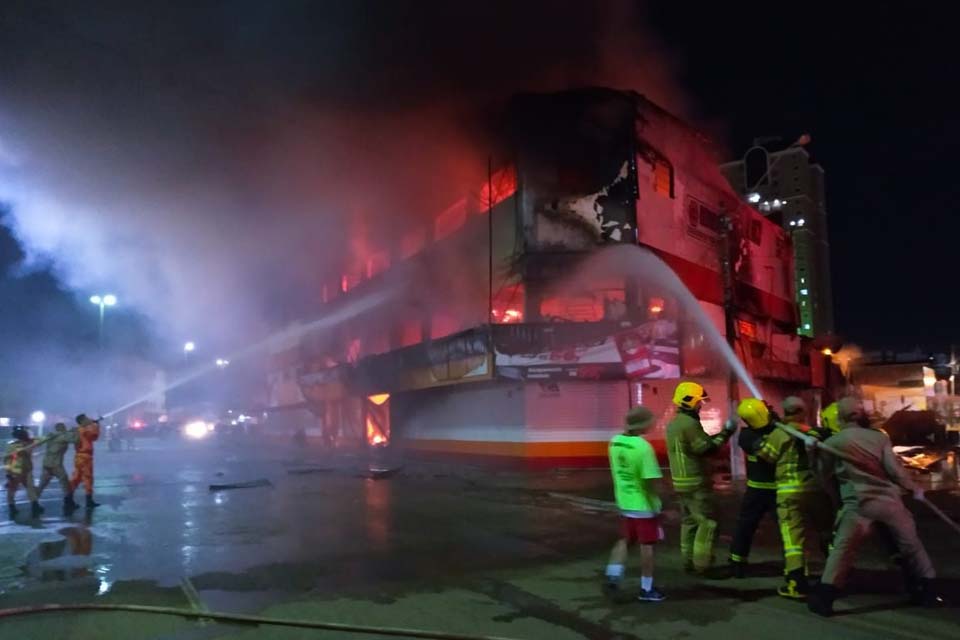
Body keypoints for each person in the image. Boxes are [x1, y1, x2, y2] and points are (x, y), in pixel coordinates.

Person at [807, 397, 943, 616]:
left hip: (858, 504)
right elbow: (895, 471)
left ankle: (824, 598)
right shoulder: (878, 438)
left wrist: (812, 453)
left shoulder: (834, 443)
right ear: (860, 416)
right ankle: (928, 590)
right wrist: (913, 488)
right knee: (911, 545)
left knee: (842, 550)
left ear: (838, 417)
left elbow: (823, 476)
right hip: (889, 501)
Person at [751, 396, 832, 599]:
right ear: (803, 412)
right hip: (816, 491)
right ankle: (837, 575)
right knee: (827, 534)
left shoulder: (779, 434)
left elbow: (766, 456)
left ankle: (797, 584)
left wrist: (759, 439)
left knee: (793, 540)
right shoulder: (812, 432)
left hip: (789, 492)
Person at [665, 381, 736, 574]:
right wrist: (727, 432)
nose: (700, 405)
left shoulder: (674, 424)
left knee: (689, 522)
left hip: (681, 482)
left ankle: (688, 561)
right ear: (689, 402)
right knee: (707, 523)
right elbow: (705, 449)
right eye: (699, 402)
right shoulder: (689, 423)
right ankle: (702, 564)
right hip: (696, 483)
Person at [604, 406, 666, 602]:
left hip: (624, 501)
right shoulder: (643, 448)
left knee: (625, 539)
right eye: (651, 421)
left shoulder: (615, 442)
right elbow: (650, 482)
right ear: (644, 424)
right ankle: (646, 589)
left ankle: (613, 575)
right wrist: (659, 507)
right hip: (643, 506)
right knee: (647, 545)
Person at [728, 398, 778, 578]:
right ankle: (737, 562)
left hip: (757, 489)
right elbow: (769, 449)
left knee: (745, 526)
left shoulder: (746, 434)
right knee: (747, 526)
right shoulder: (749, 436)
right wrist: (776, 423)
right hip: (772, 489)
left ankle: (736, 562)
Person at [4, 426, 50, 517]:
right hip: (16, 471)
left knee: (30, 489)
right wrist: (8, 473)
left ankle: (35, 505)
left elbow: (42, 439)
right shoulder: (13, 445)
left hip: (26, 470)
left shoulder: (29, 442)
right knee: (12, 490)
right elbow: (7, 460)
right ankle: (12, 507)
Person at [37, 422, 80, 510]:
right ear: (62, 428)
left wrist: (70, 432)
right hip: (55, 464)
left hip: (47, 463)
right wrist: (76, 432)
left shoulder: (52, 436)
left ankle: (34, 502)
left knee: (42, 484)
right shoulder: (62, 436)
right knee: (65, 482)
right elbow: (75, 440)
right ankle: (69, 502)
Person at [70, 414, 101, 509]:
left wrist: (93, 425)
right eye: (87, 418)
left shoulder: (79, 430)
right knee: (88, 478)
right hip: (85, 457)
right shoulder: (83, 430)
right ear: (82, 421)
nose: (89, 419)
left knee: (76, 478)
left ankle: (68, 498)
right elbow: (94, 436)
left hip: (80, 457)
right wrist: (96, 425)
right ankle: (89, 500)